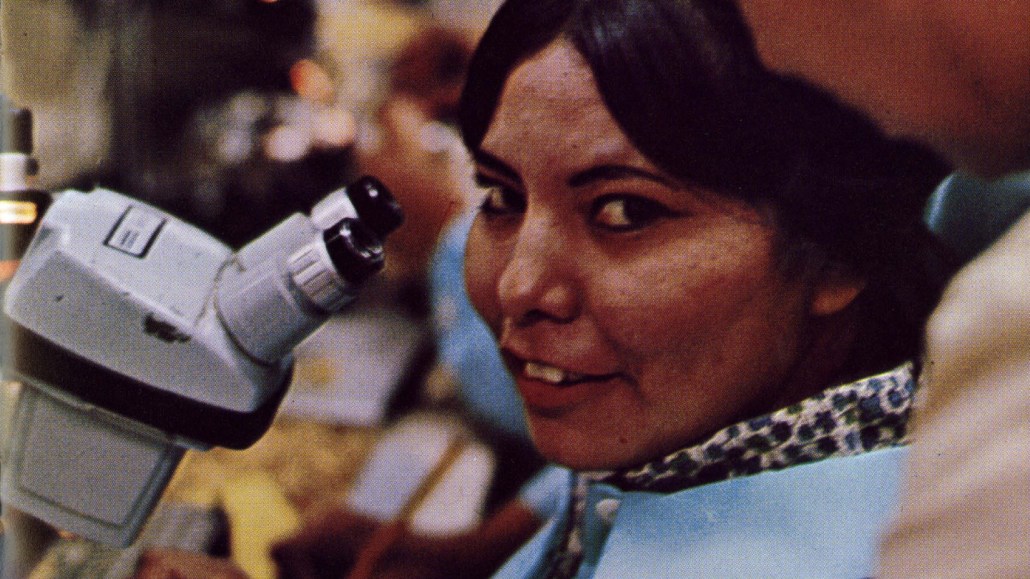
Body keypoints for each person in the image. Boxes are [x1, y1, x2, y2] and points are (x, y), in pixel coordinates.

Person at [453, 0, 957, 576]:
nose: (519, 285)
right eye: (500, 198)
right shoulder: (675, 448)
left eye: (626, 211)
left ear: (837, 253)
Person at [730, 2, 1030, 577]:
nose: (769, 50)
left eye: (625, 213)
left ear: (832, 264)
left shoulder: (1008, 313)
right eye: (498, 200)